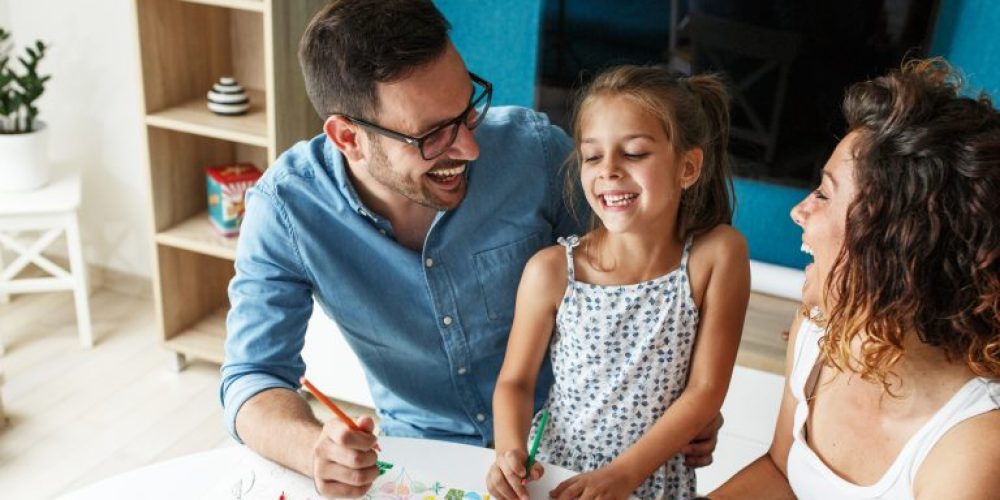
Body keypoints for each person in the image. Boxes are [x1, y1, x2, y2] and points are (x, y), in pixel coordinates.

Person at [219, 1, 721, 498]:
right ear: (348, 137)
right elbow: (252, 376)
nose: (469, 148)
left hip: (564, 448)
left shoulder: (536, 152)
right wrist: (314, 450)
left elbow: (641, 271)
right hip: (420, 457)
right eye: (434, 134)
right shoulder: (286, 209)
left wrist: (685, 396)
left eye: (467, 109)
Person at [709, 58, 1000, 499]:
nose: (799, 211)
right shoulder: (820, 331)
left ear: (896, 245)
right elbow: (781, 472)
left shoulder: (975, 444)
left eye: (825, 194)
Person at [487, 66, 750, 500]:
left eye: (633, 153)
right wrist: (509, 452)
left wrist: (624, 475)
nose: (608, 170)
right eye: (592, 156)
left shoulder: (718, 255)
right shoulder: (550, 271)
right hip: (556, 477)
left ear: (688, 166)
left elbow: (705, 391)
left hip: (651, 481)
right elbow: (515, 382)